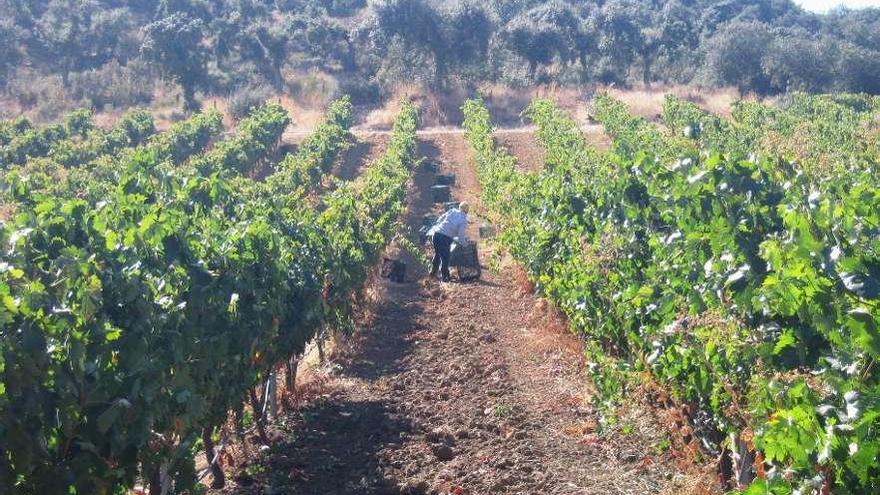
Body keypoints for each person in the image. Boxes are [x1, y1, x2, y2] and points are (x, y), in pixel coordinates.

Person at [428, 202, 470, 282]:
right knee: (445, 257)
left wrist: (442, 227)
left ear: (459, 207)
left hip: (436, 234)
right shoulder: (463, 220)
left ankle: (433, 273)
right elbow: (461, 236)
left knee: (437, 254)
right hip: (444, 238)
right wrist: (465, 244)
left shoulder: (453, 211)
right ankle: (445, 276)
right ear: (467, 211)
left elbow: (440, 218)